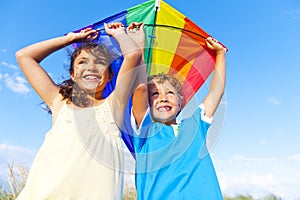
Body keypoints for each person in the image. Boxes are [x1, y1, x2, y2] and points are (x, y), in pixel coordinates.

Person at [15, 22, 144, 199]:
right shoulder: (59, 102)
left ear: (110, 76)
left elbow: (133, 55)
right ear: (73, 74)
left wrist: (120, 33)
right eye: (83, 62)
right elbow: (24, 56)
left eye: (100, 63)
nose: (91, 67)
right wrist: (70, 39)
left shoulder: (114, 106)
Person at [130, 37, 226, 199]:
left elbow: (217, 91)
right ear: (147, 104)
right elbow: (139, 90)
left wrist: (220, 54)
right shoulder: (145, 131)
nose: (163, 98)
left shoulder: (194, 125)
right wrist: (141, 47)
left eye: (170, 93)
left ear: (180, 103)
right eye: (155, 94)